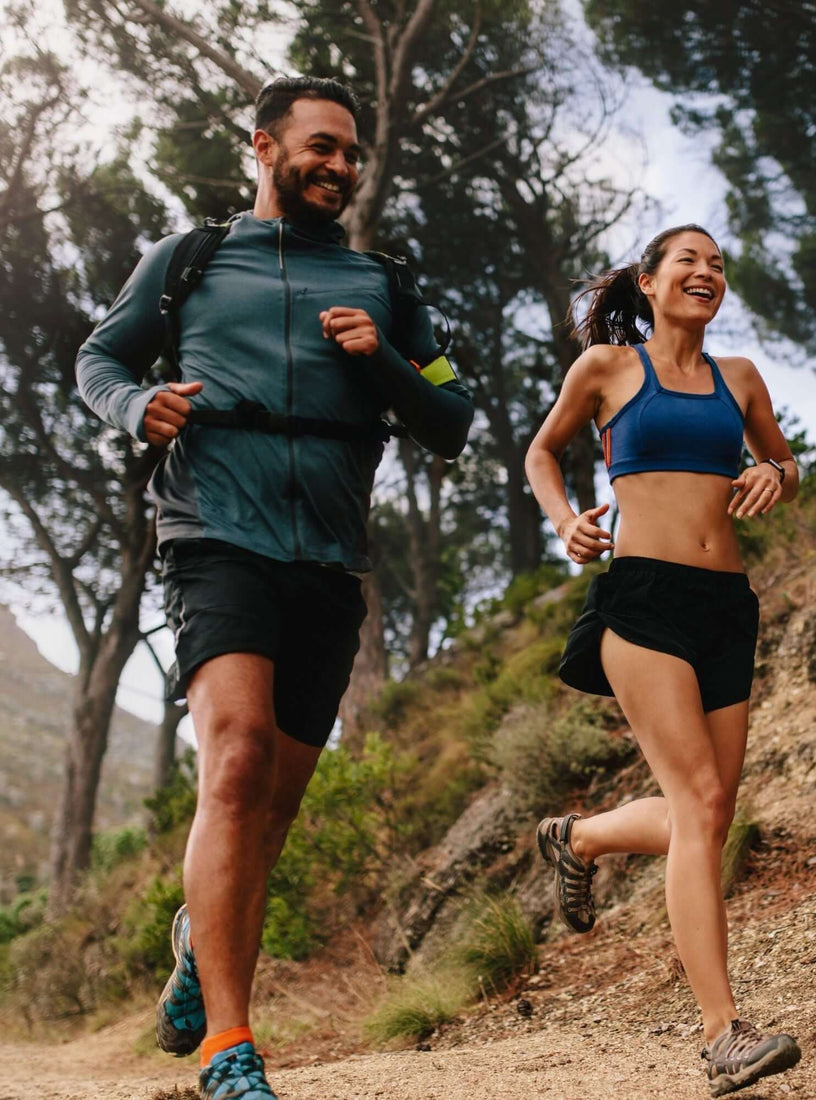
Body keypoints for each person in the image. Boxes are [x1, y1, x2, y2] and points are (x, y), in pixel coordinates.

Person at [77, 76, 473, 1100]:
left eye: (350, 153)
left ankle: (191, 949)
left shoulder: (385, 281)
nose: (339, 165)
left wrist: (381, 354)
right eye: (321, 147)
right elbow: (99, 357)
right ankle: (229, 1045)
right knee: (238, 760)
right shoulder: (193, 257)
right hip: (215, 526)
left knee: (274, 809)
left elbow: (451, 412)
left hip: (330, 557)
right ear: (263, 146)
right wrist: (138, 404)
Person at [525, 225, 802, 1096]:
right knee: (702, 801)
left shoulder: (741, 378)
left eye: (718, 265)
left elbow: (784, 459)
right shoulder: (607, 370)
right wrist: (566, 517)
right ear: (648, 281)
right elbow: (541, 452)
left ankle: (583, 837)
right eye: (689, 260)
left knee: (708, 818)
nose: (707, 273)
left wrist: (776, 476)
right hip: (641, 600)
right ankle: (723, 1034)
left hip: (727, 607)